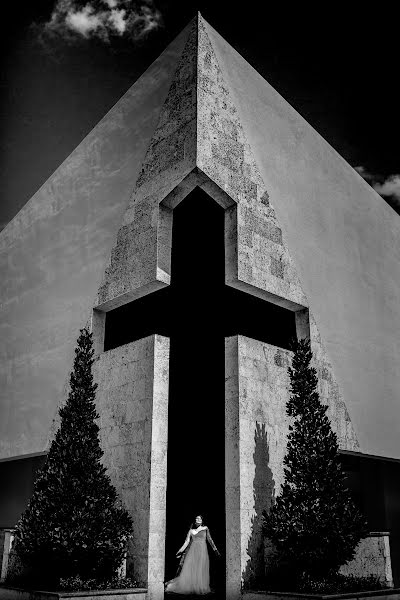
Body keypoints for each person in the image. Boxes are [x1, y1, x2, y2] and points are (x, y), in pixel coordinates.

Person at [165, 515, 221, 595]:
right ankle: (192, 586)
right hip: (193, 551)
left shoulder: (205, 528)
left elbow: (210, 540)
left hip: (202, 551)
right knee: (192, 568)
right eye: (196, 518)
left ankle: (200, 587)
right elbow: (186, 542)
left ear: (202, 520)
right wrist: (180, 550)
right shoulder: (191, 531)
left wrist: (215, 550)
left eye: (199, 518)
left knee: (200, 568)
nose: (197, 519)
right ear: (194, 521)